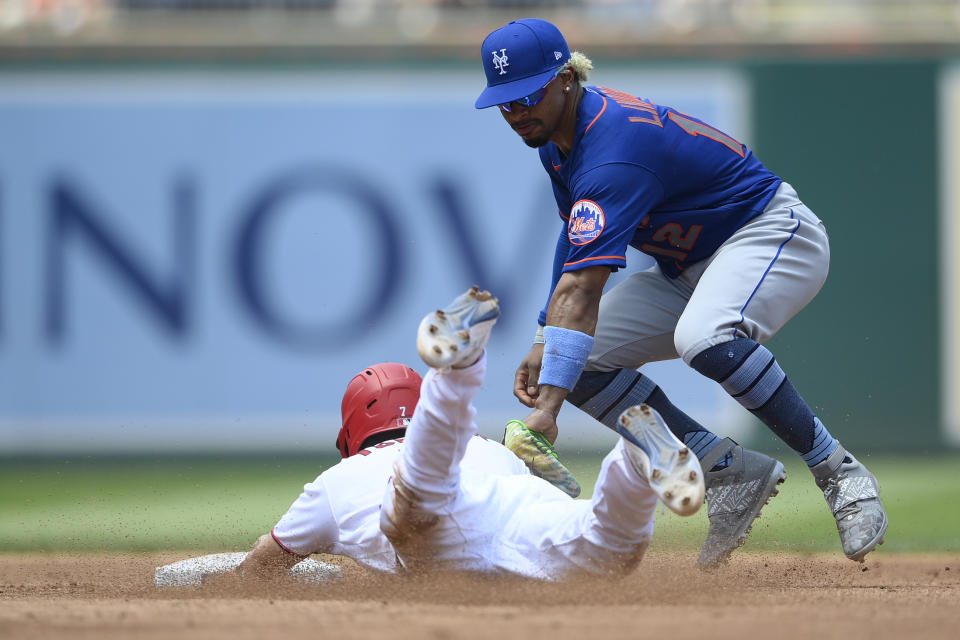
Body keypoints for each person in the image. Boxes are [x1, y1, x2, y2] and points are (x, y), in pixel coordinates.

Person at [474, 19, 887, 568]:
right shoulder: (556, 142)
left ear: (568, 77)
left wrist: (547, 407)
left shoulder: (613, 148)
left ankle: (840, 472)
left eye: (528, 95)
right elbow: (574, 243)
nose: (517, 112)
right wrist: (544, 334)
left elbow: (586, 285)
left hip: (770, 233)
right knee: (575, 360)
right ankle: (724, 468)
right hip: (688, 268)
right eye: (504, 102)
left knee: (703, 337)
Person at [230, 287, 705, 582]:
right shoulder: (488, 450)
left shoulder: (335, 483)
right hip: (517, 507)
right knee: (605, 550)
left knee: (420, 490)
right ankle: (632, 456)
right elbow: (543, 489)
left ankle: (461, 367)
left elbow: (261, 567)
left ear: (352, 432)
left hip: (435, 536)